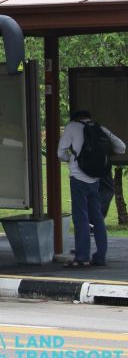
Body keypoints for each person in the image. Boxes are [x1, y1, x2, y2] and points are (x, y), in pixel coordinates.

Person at [57, 109, 126, 267]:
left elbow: (60, 153)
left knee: (80, 216)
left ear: (75, 118)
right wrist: (103, 155)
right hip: (95, 178)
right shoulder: (98, 127)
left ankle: (82, 257)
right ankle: (100, 256)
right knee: (97, 218)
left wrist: (72, 160)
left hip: (78, 178)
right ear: (89, 117)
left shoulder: (72, 127)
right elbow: (121, 147)